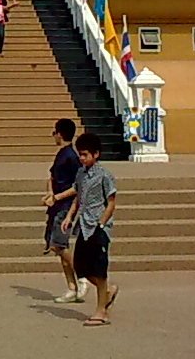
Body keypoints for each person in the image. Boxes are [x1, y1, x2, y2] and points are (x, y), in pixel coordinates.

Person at [61, 132, 119, 326]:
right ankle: (108, 291)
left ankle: (101, 311)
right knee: (81, 267)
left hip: (98, 227)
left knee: (99, 270)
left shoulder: (104, 175)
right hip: (83, 226)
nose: (82, 158)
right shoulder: (80, 174)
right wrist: (69, 216)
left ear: (96, 154)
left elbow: (111, 203)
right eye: (80, 154)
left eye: (85, 154)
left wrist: (102, 223)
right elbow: (78, 196)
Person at [43, 118, 88, 304]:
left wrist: (58, 197)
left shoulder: (71, 157)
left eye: (54, 132)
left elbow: (79, 185)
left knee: (59, 245)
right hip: (57, 205)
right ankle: (72, 287)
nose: (53, 136)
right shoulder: (61, 154)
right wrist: (49, 193)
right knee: (59, 247)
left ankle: (83, 275)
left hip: (66, 207)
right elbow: (52, 177)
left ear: (59, 134)